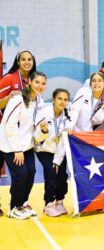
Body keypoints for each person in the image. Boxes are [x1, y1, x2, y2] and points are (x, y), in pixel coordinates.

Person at [0, 71, 47, 219]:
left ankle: (22, 203)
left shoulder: (39, 101)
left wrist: (44, 131)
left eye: (43, 83)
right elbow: (9, 125)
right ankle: (14, 207)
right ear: (29, 83)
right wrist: (17, 150)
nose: (40, 86)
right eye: (37, 82)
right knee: (20, 175)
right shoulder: (18, 100)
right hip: (10, 144)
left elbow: (37, 126)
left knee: (31, 172)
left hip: (27, 145)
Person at [34, 88, 71, 217]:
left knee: (62, 176)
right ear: (54, 99)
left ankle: (59, 202)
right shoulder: (43, 113)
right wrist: (43, 131)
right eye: (60, 98)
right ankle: (48, 204)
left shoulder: (67, 116)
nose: (62, 102)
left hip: (59, 151)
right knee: (51, 174)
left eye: (65, 99)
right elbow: (37, 138)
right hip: (44, 149)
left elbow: (63, 142)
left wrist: (57, 160)